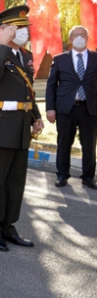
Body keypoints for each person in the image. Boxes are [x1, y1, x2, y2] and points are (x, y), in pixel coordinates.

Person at [0, 5, 43, 252]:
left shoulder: (25, 56)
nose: (24, 32)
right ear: (5, 30)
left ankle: (9, 226)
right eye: (18, 28)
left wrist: (35, 116)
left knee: (16, 182)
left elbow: (27, 90)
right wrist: (3, 44)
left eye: (25, 28)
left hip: (20, 128)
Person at [46, 26, 97, 189]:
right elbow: (51, 85)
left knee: (89, 144)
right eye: (76, 35)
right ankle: (62, 175)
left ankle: (88, 177)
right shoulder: (60, 59)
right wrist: (50, 108)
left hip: (89, 108)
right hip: (65, 108)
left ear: (87, 38)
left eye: (83, 35)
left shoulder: (96, 58)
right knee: (64, 143)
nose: (79, 37)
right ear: (70, 39)